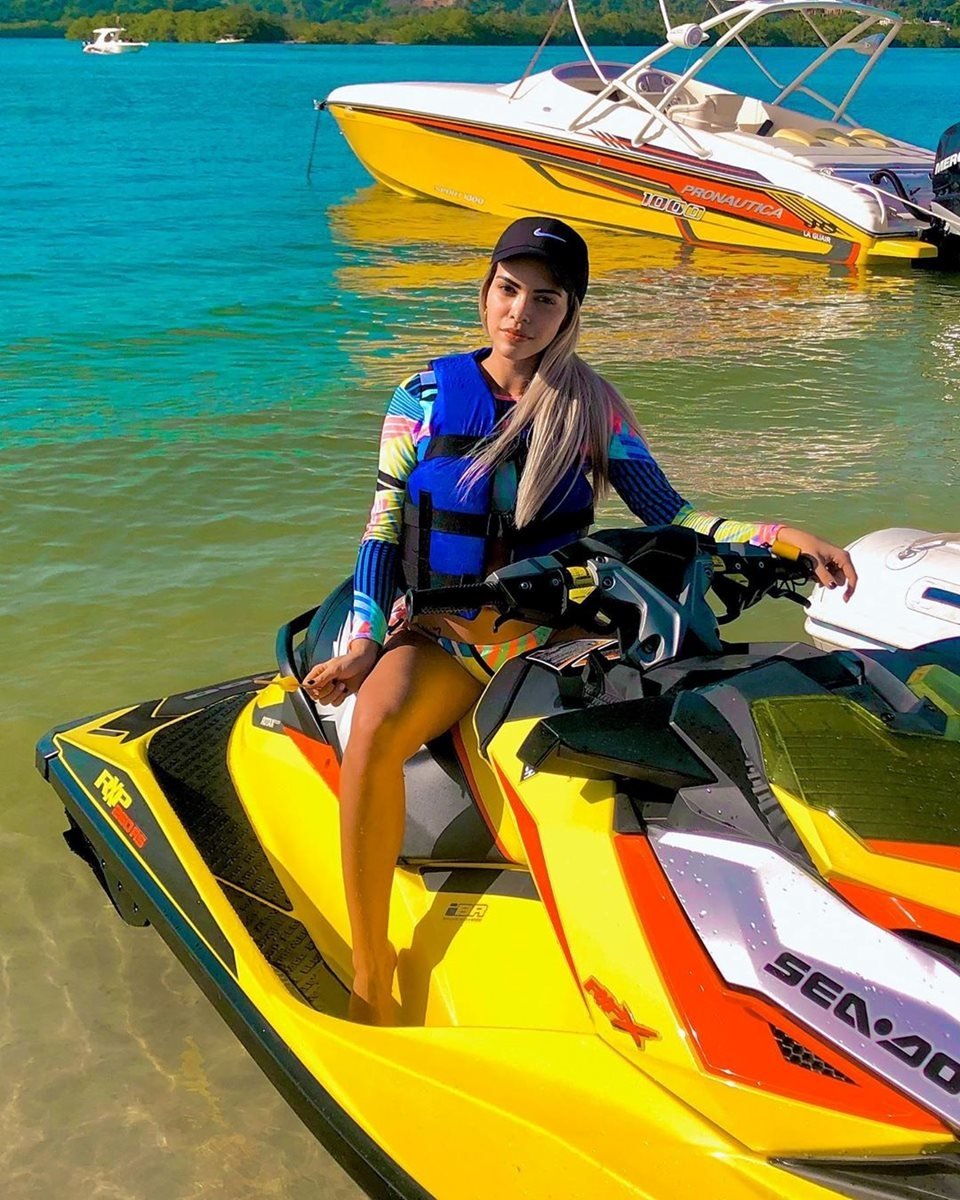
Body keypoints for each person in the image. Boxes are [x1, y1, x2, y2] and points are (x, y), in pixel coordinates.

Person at [303, 216, 857, 1025]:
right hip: (445, 638)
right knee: (375, 730)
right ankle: (370, 963)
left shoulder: (594, 408)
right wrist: (362, 646)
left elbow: (674, 516)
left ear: (570, 312)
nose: (519, 313)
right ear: (486, 291)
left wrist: (778, 536)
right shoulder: (422, 397)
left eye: (545, 299)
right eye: (508, 290)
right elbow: (382, 532)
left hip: (553, 636)